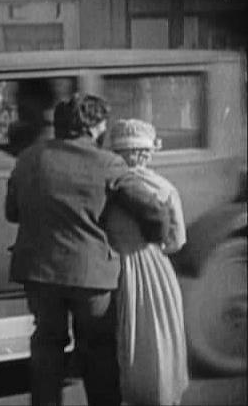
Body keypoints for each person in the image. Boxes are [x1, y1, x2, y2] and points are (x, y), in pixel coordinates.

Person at [5, 93, 170, 406]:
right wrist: (155, 238)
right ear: (94, 127)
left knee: (47, 346)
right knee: (97, 351)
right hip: (91, 277)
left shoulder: (28, 158)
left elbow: (11, 212)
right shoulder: (107, 163)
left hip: (39, 273)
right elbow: (153, 210)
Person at [105, 119, 189, 405]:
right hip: (154, 271)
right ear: (143, 153)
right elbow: (176, 241)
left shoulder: (106, 187)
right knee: (158, 341)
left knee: (124, 345)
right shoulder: (163, 187)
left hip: (116, 269)